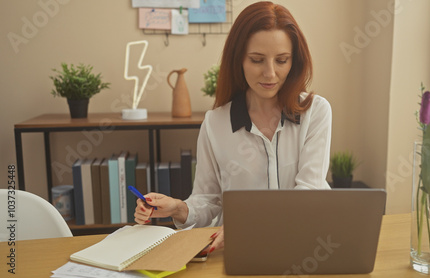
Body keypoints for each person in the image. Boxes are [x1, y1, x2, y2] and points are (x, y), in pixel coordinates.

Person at [135, 1, 332, 254]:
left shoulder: (315, 112)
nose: (270, 73)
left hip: (305, 247)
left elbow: (309, 194)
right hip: (241, 252)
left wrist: (248, 224)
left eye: (281, 60)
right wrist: (178, 208)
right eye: (257, 60)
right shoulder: (215, 124)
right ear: (238, 59)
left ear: (294, 61)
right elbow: (210, 202)